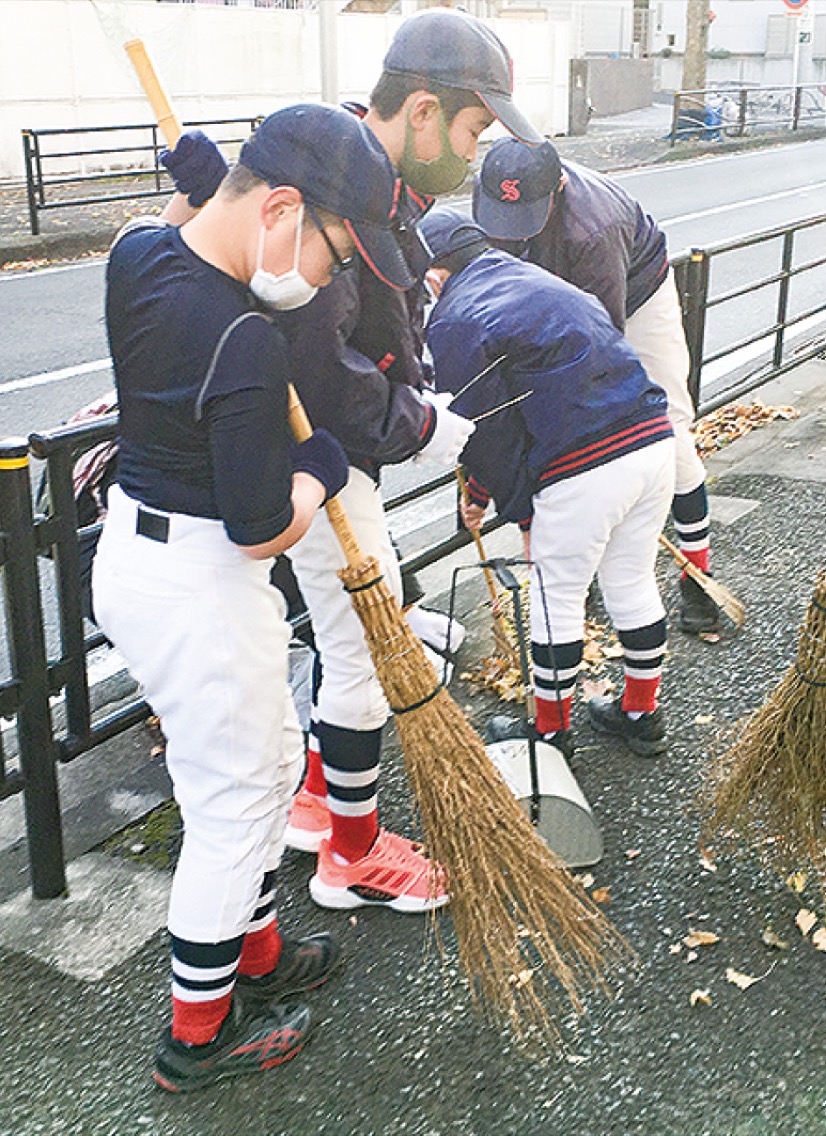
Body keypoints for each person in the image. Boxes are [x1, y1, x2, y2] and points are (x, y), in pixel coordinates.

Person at [161, 8, 543, 912]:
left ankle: (314, 803)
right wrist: (414, 423)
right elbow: (315, 373)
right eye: (473, 127)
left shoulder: (374, 185)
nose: (478, 151)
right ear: (420, 110)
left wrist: (413, 395)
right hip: (311, 462)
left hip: (318, 456)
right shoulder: (336, 193)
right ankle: (352, 856)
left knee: (356, 641)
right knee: (367, 650)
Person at [93, 104, 408, 1091]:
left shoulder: (143, 256)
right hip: (202, 576)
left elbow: (181, 228)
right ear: (279, 208)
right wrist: (318, 464)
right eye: (335, 253)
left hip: (140, 558)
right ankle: (197, 1034)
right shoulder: (243, 338)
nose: (331, 278)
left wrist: (198, 185)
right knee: (238, 802)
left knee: (261, 759)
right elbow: (262, 523)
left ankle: (257, 956)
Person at [420, 209, 676, 757]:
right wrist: (487, 495)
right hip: (654, 440)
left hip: (585, 465)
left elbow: (482, 428)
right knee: (631, 579)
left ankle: (551, 734)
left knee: (554, 597)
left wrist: (502, 504)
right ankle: (640, 713)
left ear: (435, 277)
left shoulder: (456, 318)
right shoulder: (531, 277)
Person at [471, 137, 727, 636]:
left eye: (527, 214)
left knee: (668, 431)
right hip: (546, 289)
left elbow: (597, 347)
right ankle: (575, 569)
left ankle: (697, 575)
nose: (508, 228)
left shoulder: (593, 229)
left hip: (634, 290)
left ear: (559, 187)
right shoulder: (500, 211)